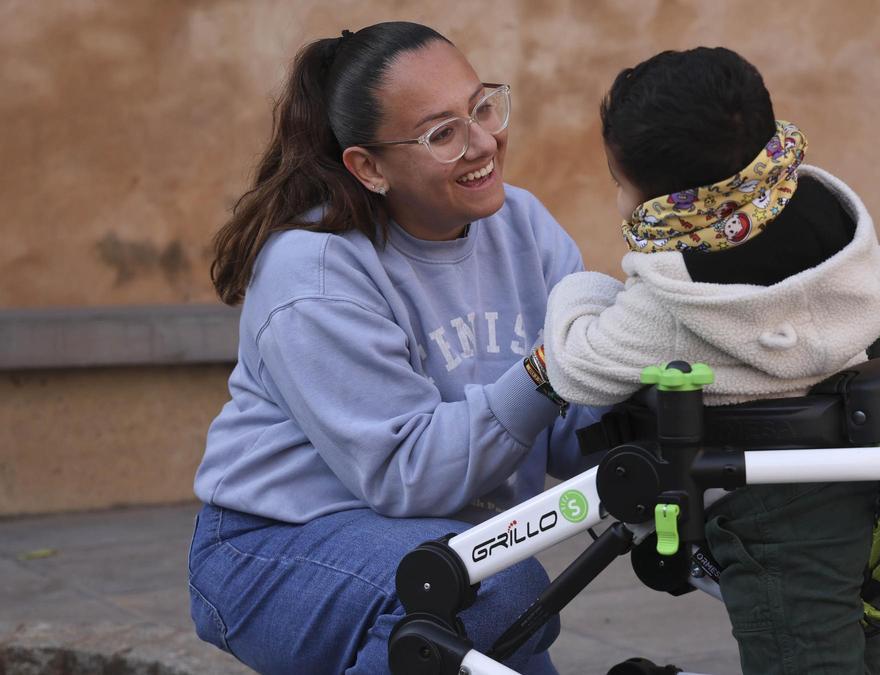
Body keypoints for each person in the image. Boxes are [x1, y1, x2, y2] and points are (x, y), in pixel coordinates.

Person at [187, 21, 600, 674]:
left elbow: (573, 431)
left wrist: (645, 375)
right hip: (271, 545)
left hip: (447, 544)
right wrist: (551, 369)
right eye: (442, 134)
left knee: (497, 604)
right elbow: (407, 474)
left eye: (482, 108)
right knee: (491, 589)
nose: (483, 142)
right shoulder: (316, 271)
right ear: (369, 167)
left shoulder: (524, 225)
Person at [540, 48, 880, 674]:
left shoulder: (677, 300)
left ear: (668, 200)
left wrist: (581, 289)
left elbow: (576, 368)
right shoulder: (829, 220)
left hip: (772, 512)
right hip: (873, 479)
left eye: (618, 183)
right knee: (863, 635)